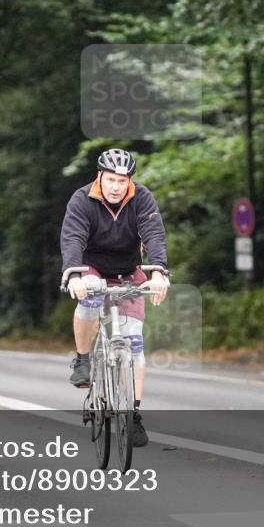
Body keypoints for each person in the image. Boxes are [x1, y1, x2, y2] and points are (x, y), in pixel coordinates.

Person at [60, 148, 170, 447]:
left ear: (129, 181)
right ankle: (83, 359)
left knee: (134, 342)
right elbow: (72, 238)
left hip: (128, 270)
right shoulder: (82, 200)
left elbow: (154, 235)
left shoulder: (141, 198)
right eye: (111, 180)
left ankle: (132, 414)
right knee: (91, 297)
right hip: (91, 267)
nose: (116, 187)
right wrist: (73, 275)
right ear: (100, 176)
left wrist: (158, 273)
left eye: (122, 181)